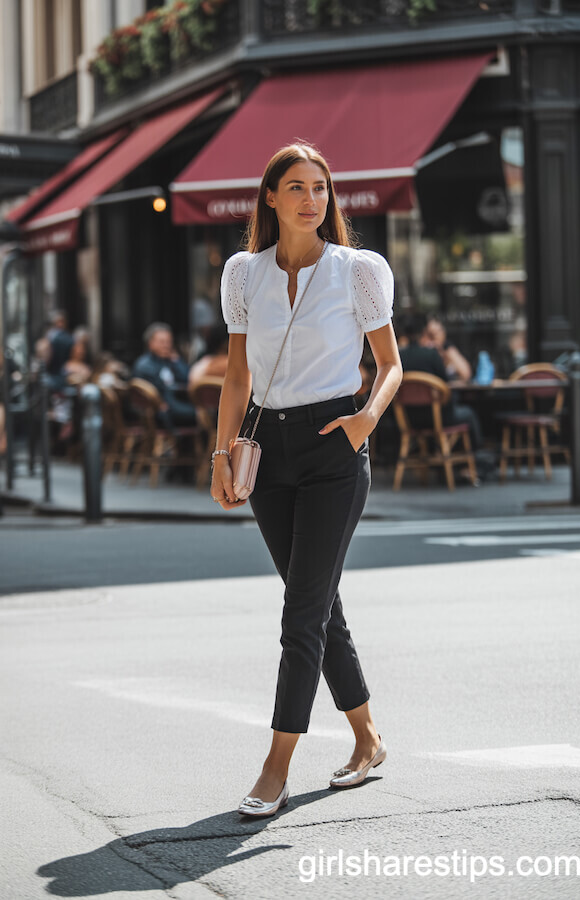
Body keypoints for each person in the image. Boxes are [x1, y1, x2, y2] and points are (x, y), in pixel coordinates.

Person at [211, 142, 403, 818]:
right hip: (267, 451)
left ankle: (276, 767)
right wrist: (220, 454)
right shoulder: (244, 274)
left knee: (300, 615)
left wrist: (364, 421)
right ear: (270, 197)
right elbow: (237, 374)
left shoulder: (357, 270)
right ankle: (368, 739)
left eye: (320, 188)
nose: (310, 199)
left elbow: (390, 364)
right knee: (318, 606)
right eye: (295, 187)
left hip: (333, 448)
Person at [399, 313, 486, 471]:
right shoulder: (431, 355)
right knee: (469, 414)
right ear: (423, 333)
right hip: (438, 417)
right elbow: (444, 385)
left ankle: (442, 462)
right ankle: (473, 462)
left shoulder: (399, 356)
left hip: (408, 418)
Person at [131, 322, 197, 430]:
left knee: (208, 412)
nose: (166, 345)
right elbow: (158, 393)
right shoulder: (144, 365)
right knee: (204, 415)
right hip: (158, 411)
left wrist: (176, 361)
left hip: (175, 403)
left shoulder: (169, 361)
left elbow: (187, 378)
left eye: (169, 342)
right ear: (150, 343)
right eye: (162, 342)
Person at [425, 315, 472, 382]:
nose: (433, 339)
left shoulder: (447, 348)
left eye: (436, 334)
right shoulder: (422, 350)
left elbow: (466, 374)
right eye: (430, 335)